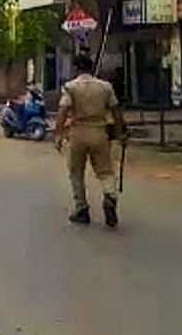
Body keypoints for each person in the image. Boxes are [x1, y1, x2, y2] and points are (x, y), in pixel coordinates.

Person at [55, 54, 128, 228]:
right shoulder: (105, 87)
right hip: (99, 132)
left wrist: (58, 134)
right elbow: (116, 112)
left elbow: (63, 111)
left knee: (76, 173)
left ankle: (82, 209)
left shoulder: (70, 87)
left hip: (78, 132)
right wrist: (120, 134)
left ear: (76, 69)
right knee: (105, 171)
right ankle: (110, 195)